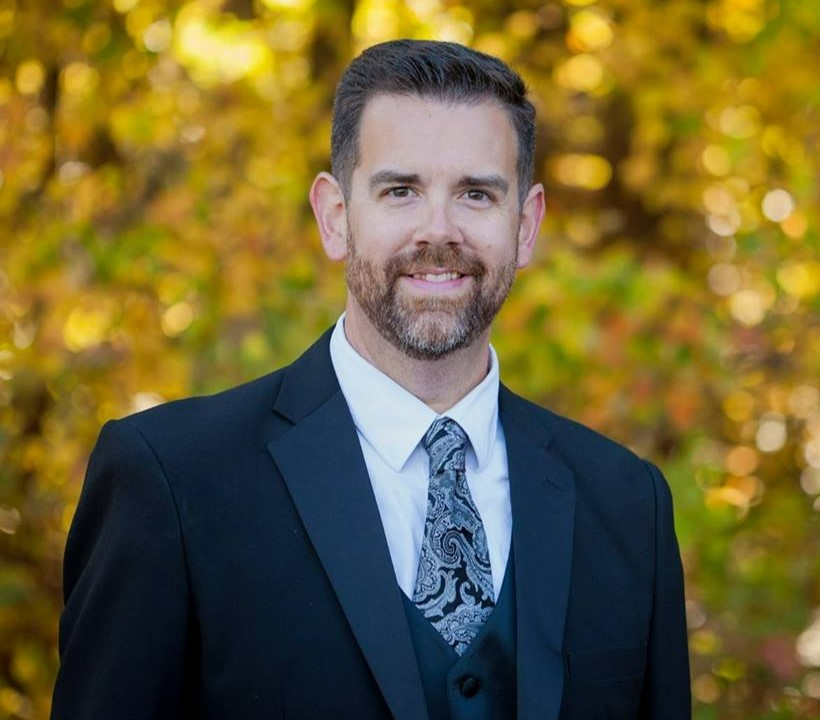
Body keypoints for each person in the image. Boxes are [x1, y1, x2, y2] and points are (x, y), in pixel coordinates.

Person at [51, 39, 691, 720]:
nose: (438, 231)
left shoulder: (628, 505)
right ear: (335, 216)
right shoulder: (170, 481)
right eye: (400, 191)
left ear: (526, 225)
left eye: (476, 193)